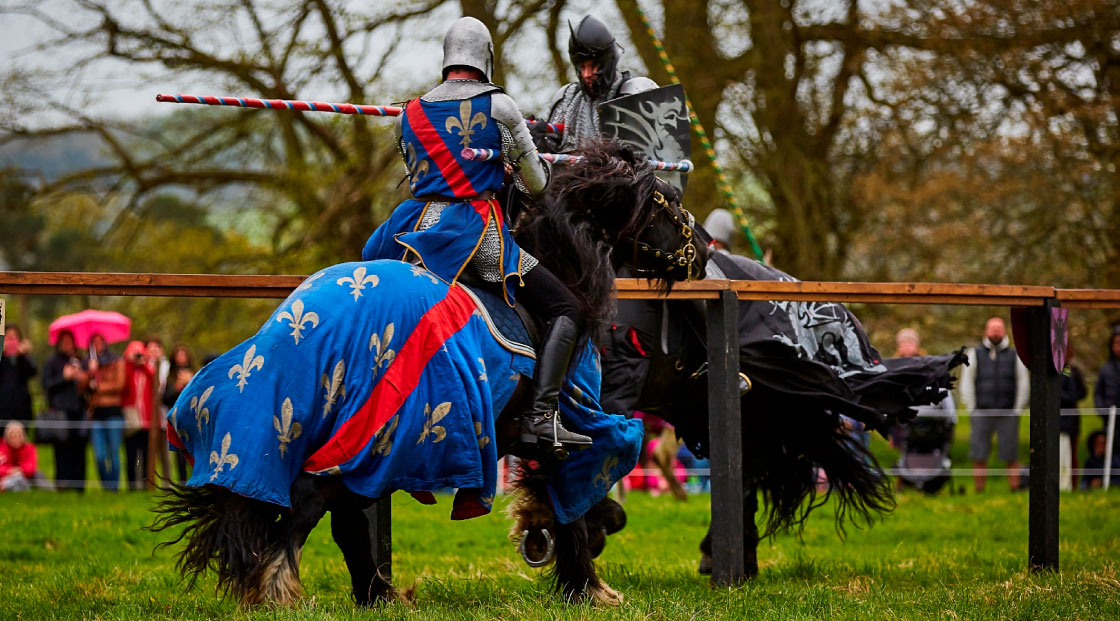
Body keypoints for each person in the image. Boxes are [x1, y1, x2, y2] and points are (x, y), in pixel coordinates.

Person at [360, 16, 591, 456]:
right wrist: (508, 172)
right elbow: (537, 185)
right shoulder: (499, 106)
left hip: (410, 229)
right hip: (474, 233)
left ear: (446, 58)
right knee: (567, 307)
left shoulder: (407, 113)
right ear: (486, 57)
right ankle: (541, 418)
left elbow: (420, 177)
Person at [539, 15, 658, 153]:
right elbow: (547, 160)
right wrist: (538, 141)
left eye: (593, 66)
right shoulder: (567, 99)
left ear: (607, 61)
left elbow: (648, 160)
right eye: (582, 67)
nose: (586, 74)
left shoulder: (635, 93)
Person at [959, 317, 1029, 492]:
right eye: (992, 328)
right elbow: (967, 381)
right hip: (981, 412)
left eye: (999, 328)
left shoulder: (1015, 354)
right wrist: (972, 408)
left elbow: (1023, 382)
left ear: (1004, 331)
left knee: (1011, 453)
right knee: (979, 454)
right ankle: (979, 490)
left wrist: (1017, 409)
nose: (996, 331)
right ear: (986, 331)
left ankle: (1014, 488)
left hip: (1008, 413)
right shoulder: (975, 353)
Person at [41, 330, 89, 491]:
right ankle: (62, 484)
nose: (68, 345)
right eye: (65, 342)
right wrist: (64, 377)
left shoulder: (81, 361)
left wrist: (84, 378)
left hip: (79, 411)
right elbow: (47, 385)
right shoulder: (52, 362)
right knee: (61, 449)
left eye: (70, 341)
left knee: (79, 448)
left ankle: (79, 485)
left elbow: (90, 388)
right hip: (60, 413)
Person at [86, 333, 126, 491]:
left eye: (100, 341)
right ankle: (106, 486)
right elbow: (82, 386)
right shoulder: (89, 363)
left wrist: (99, 387)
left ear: (105, 342)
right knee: (99, 455)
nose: (97, 345)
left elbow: (119, 384)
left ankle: (113, 488)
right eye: (93, 342)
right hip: (96, 413)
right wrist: (90, 372)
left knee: (113, 453)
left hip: (114, 412)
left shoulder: (116, 361)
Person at [120, 340, 154, 490]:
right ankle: (132, 486)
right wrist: (129, 364)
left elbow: (155, 381)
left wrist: (144, 364)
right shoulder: (127, 370)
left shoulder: (148, 370)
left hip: (147, 420)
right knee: (131, 455)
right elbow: (123, 386)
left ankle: (147, 484)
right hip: (132, 419)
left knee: (146, 455)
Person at [163, 344, 195, 481]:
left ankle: (196, 482)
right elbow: (165, 399)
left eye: (183, 354)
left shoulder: (197, 373)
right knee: (180, 455)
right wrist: (177, 387)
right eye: (178, 355)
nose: (181, 357)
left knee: (195, 453)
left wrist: (190, 382)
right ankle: (182, 483)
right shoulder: (170, 377)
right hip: (177, 419)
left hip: (194, 419)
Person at [1059, 340, 1087, 491]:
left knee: (1072, 452)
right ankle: (1062, 484)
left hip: (1072, 418)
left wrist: (1072, 397)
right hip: (1059, 418)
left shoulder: (1071, 370)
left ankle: (1072, 485)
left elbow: (1082, 391)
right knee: (1061, 452)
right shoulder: (1061, 370)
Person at [0, 421, 53, 491]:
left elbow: (31, 467)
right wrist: (10, 471)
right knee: (17, 478)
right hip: (8, 477)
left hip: (25, 476)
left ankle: (49, 491)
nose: (15, 440)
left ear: (23, 436)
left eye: (18, 436)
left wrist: (19, 470)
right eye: (12, 437)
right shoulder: (2, 448)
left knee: (37, 474)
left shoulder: (29, 448)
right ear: (7, 437)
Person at [1, 325, 37, 424]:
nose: (11, 339)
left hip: (21, 408)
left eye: (14, 336)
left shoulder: (24, 356)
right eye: (8, 336)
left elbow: (33, 372)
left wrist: (23, 355)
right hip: (3, 408)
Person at [1093, 325, 1120, 455]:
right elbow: (1098, 393)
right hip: (1110, 420)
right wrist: (1103, 409)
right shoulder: (1106, 369)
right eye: (1116, 343)